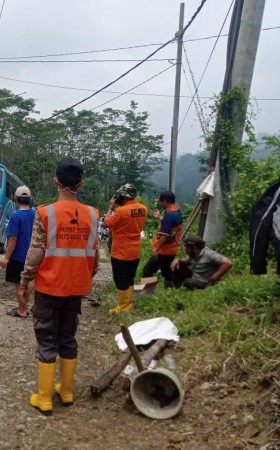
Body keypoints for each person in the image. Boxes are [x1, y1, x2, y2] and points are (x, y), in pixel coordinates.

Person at [20, 156, 99, 415]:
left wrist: (25, 280)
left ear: (56, 181)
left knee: (47, 337)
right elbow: (95, 255)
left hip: (49, 288)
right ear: (82, 183)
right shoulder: (93, 214)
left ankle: (44, 397)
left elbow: (36, 252)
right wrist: (85, 275)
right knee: (68, 337)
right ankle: (66, 392)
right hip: (76, 288)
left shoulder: (45, 212)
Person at [104, 183, 148, 313]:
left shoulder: (121, 211)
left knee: (120, 279)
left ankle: (123, 307)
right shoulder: (143, 208)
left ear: (124, 196)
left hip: (121, 251)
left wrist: (111, 207)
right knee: (130, 278)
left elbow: (107, 222)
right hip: (134, 250)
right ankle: (129, 303)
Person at [0, 185, 35, 319]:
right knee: (28, 282)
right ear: (29, 199)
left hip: (18, 256)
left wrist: (6, 257)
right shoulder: (35, 213)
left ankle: (22, 310)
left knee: (19, 284)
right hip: (32, 256)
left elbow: (13, 238)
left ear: (16, 199)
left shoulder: (16, 216)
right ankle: (25, 307)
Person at [142, 191, 183, 288]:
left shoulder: (170, 215)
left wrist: (156, 250)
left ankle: (147, 295)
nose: (160, 204)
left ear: (165, 201)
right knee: (167, 272)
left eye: (161, 201)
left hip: (164, 251)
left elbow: (164, 236)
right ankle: (171, 292)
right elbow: (170, 226)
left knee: (147, 270)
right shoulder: (177, 211)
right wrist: (159, 217)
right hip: (172, 249)